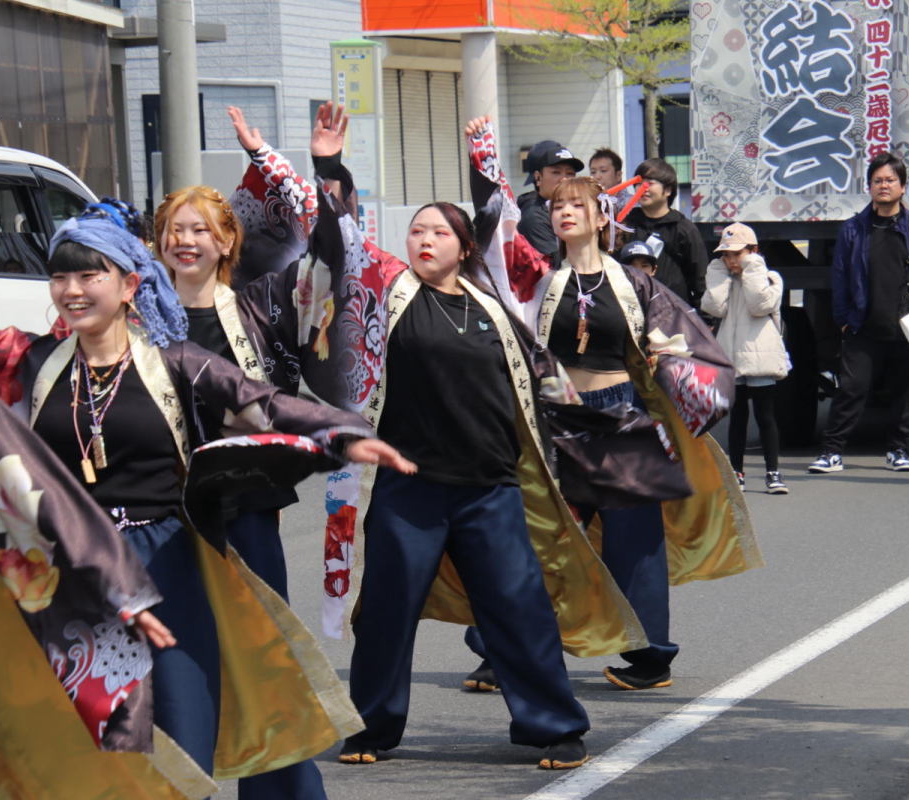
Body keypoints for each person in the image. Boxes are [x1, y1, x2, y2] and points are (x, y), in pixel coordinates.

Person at [0, 201, 412, 797]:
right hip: (74, 568)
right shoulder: (30, 361)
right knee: (91, 741)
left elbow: (263, 404)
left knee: (180, 735)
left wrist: (339, 434)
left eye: (89, 275)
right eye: (60, 277)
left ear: (130, 284)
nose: (71, 290)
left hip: (169, 562)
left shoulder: (174, 361)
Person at [333, 198, 644, 771]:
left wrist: (598, 433)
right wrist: (334, 175)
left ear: (464, 246)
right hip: (410, 489)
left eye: (438, 232)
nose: (424, 240)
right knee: (385, 611)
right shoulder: (388, 296)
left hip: (490, 489)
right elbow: (340, 239)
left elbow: (544, 381)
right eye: (416, 231)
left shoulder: (492, 309)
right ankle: (371, 725)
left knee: (518, 607)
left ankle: (555, 726)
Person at [461, 115, 762, 693]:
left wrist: (666, 364)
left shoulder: (635, 284)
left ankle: (650, 657)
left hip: (624, 418)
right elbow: (495, 234)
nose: (566, 211)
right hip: (556, 419)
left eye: (579, 204)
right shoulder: (541, 280)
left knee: (636, 548)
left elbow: (688, 344)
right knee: (533, 538)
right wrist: (483, 161)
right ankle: (505, 649)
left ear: (603, 218)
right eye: (558, 205)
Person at [151, 103, 347, 800]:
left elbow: (327, 261)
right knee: (172, 669)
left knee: (263, 657)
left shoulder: (263, 302)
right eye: (175, 230)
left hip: (246, 510)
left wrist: (320, 170)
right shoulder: (135, 317)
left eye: (201, 229)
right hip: (160, 514)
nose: (187, 240)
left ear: (227, 240)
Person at [0, 377, 211, 800]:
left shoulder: (161, 358)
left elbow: (34, 489)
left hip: (149, 552)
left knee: (168, 722)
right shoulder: (40, 362)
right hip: (83, 563)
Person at [808, 152, 909, 475]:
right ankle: (832, 452)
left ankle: (899, 450)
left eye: (890, 180)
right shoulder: (854, 229)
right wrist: (843, 319)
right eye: (878, 180)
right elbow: (839, 277)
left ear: (903, 186)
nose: (884, 186)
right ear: (869, 187)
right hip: (863, 326)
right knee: (851, 389)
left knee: (907, 391)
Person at [701, 223, 789, 494]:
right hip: (731, 357)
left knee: (765, 416)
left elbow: (759, 304)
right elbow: (713, 307)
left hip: (760, 357)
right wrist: (717, 275)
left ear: (753, 252)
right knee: (737, 417)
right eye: (725, 255)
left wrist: (752, 268)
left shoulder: (771, 278)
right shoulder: (726, 280)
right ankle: (736, 472)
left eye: (737, 254)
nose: (730, 260)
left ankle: (773, 472)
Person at [621, 158, 709, 309]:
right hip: (632, 311)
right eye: (639, 183)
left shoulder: (684, 229)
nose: (643, 188)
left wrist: (707, 319)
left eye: (650, 183)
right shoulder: (625, 225)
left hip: (673, 314)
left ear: (668, 190)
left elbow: (700, 277)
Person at [516, 139, 583, 259]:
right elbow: (557, 267)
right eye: (556, 172)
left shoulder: (582, 208)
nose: (564, 179)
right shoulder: (533, 218)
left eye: (570, 173)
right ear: (538, 177)